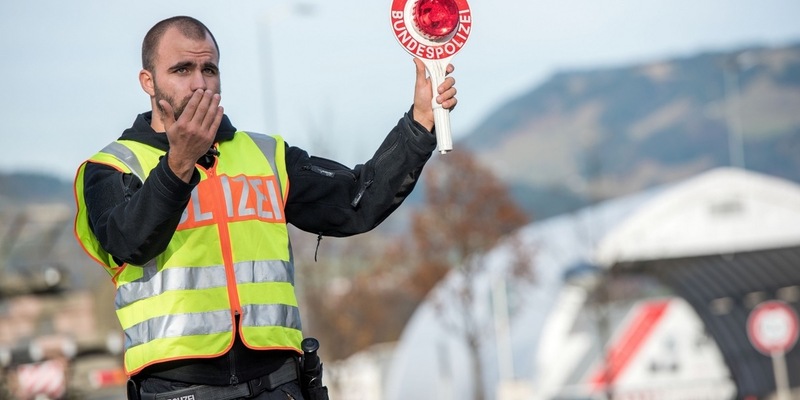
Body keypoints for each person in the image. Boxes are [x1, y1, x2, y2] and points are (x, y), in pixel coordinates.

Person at [73, 15, 457, 400]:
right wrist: (178, 164)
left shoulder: (265, 154)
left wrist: (420, 122)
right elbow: (129, 242)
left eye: (209, 69)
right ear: (148, 81)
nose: (199, 82)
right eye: (181, 69)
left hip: (277, 382)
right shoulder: (111, 167)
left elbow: (358, 201)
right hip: (178, 388)